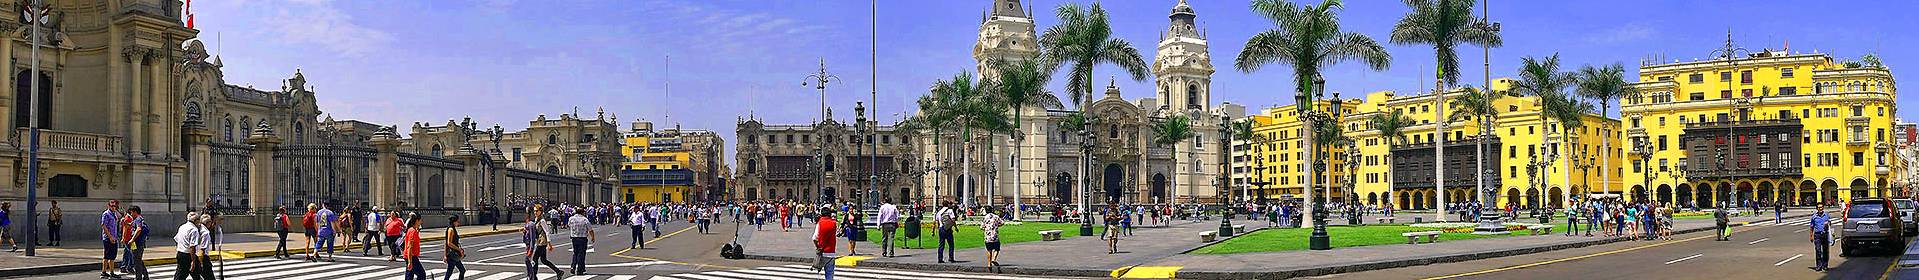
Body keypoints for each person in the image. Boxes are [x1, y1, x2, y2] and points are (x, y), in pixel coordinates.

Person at [524, 206, 563, 278]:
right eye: (534, 211)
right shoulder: (536, 219)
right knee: (543, 260)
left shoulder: (542, 221)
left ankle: (534, 276)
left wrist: (549, 243)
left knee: (535, 258)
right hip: (539, 241)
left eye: (537, 211)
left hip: (542, 242)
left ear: (540, 211)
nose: (535, 212)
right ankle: (558, 271)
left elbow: (547, 231)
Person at [172, 213, 202, 280]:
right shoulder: (194, 230)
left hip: (180, 253)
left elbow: (176, 240)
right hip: (188, 255)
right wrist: (193, 261)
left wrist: (180, 249)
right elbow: (192, 247)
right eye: (198, 220)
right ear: (196, 220)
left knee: (180, 274)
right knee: (195, 273)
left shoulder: (182, 227)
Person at [812, 208, 838, 280]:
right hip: (831, 252)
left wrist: (817, 247)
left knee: (818, 272)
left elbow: (814, 238)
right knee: (829, 274)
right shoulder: (834, 223)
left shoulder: (820, 223)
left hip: (822, 252)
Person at [124, 206, 150, 280]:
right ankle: (145, 276)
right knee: (138, 259)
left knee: (137, 262)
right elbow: (134, 226)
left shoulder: (138, 219)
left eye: (131, 212)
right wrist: (128, 224)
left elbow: (138, 229)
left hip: (137, 243)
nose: (131, 214)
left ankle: (138, 277)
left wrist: (132, 239)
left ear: (135, 212)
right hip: (136, 243)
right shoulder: (138, 219)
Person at [566, 209, 594, 275]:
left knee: (575, 253)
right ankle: (579, 270)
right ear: (582, 213)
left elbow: (569, 225)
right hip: (582, 238)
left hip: (574, 238)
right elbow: (590, 229)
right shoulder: (584, 219)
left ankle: (573, 266)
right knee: (581, 254)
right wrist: (592, 237)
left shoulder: (571, 219)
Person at [101, 200, 123, 279]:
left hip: (114, 237)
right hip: (108, 238)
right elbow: (103, 225)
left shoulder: (114, 213)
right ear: (109, 206)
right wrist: (110, 237)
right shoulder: (106, 214)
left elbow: (121, 217)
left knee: (112, 256)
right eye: (112, 206)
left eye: (115, 206)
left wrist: (119, 210)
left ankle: (110, 272)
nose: (114, 207)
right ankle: (106, 272)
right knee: (107, 255)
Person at [196, 212, 222, 280]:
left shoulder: (198, 229)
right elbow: (202, 249)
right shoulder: (206, 233)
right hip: (203, 258)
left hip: (197, 256)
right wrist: (200, 263)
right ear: (208, 223)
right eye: (210, 221)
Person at [402, 213, 426, 280]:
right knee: (422, 274)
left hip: (409, 256)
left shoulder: (412, 230)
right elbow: (410, 246)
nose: (421, 222)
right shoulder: (412, 231)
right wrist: (410, 261)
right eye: (420, 220)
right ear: (417, 221)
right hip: (411, 256)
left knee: (409, 275)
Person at [981, 208, 1004, 274]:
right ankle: (994, 259)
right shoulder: (996, 217)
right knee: (997, 249)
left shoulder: (985, 217)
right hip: (995, 236)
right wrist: (997, 226)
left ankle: (989, 264)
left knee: (989, 250)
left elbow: (982, 227)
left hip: (987, 237)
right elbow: (1002, 223)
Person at [1810, 205, 1830, 271]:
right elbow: (1811, 227)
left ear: (1823, 208)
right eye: (1819, 207)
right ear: (1817, 209)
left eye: (1821, 207)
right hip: (1817, 235)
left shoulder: (1826, 215)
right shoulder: (1814, 217)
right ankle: (1819, 265)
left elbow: (1830, 223)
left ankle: (1825, 265)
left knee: (1825, 250)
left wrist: (1828, 223)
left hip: (1825, 234)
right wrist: (1811, 236)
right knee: (1818, 250)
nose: (1820, 208)